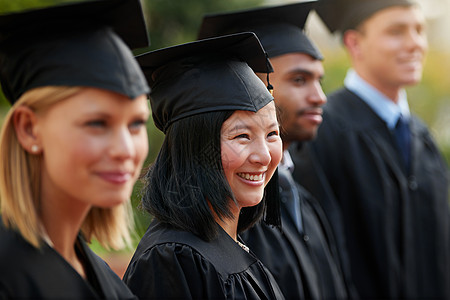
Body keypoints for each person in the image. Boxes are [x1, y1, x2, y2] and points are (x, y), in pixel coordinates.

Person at [197, 2, 356, 299]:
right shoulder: (233, 212)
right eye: (299, 80)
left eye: (319, 80)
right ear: (253, 86)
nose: (320, 97)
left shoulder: (304, 201)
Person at [292, 0, 450, 298]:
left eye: (420, 30)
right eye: (396, 31)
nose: (415, 43)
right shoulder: (324, 133)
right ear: (355, 43)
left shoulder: (421, 136)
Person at [0, 0, 151, 298]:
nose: (125, 150)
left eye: (135, 125)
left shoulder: (108, 282)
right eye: (97, 123)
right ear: (29, 128)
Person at [123, 32, 285, 300]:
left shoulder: (228, 243)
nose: (264, 156)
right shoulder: (174, 259)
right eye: (242, 136)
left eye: (272, 134)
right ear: (194, 147)